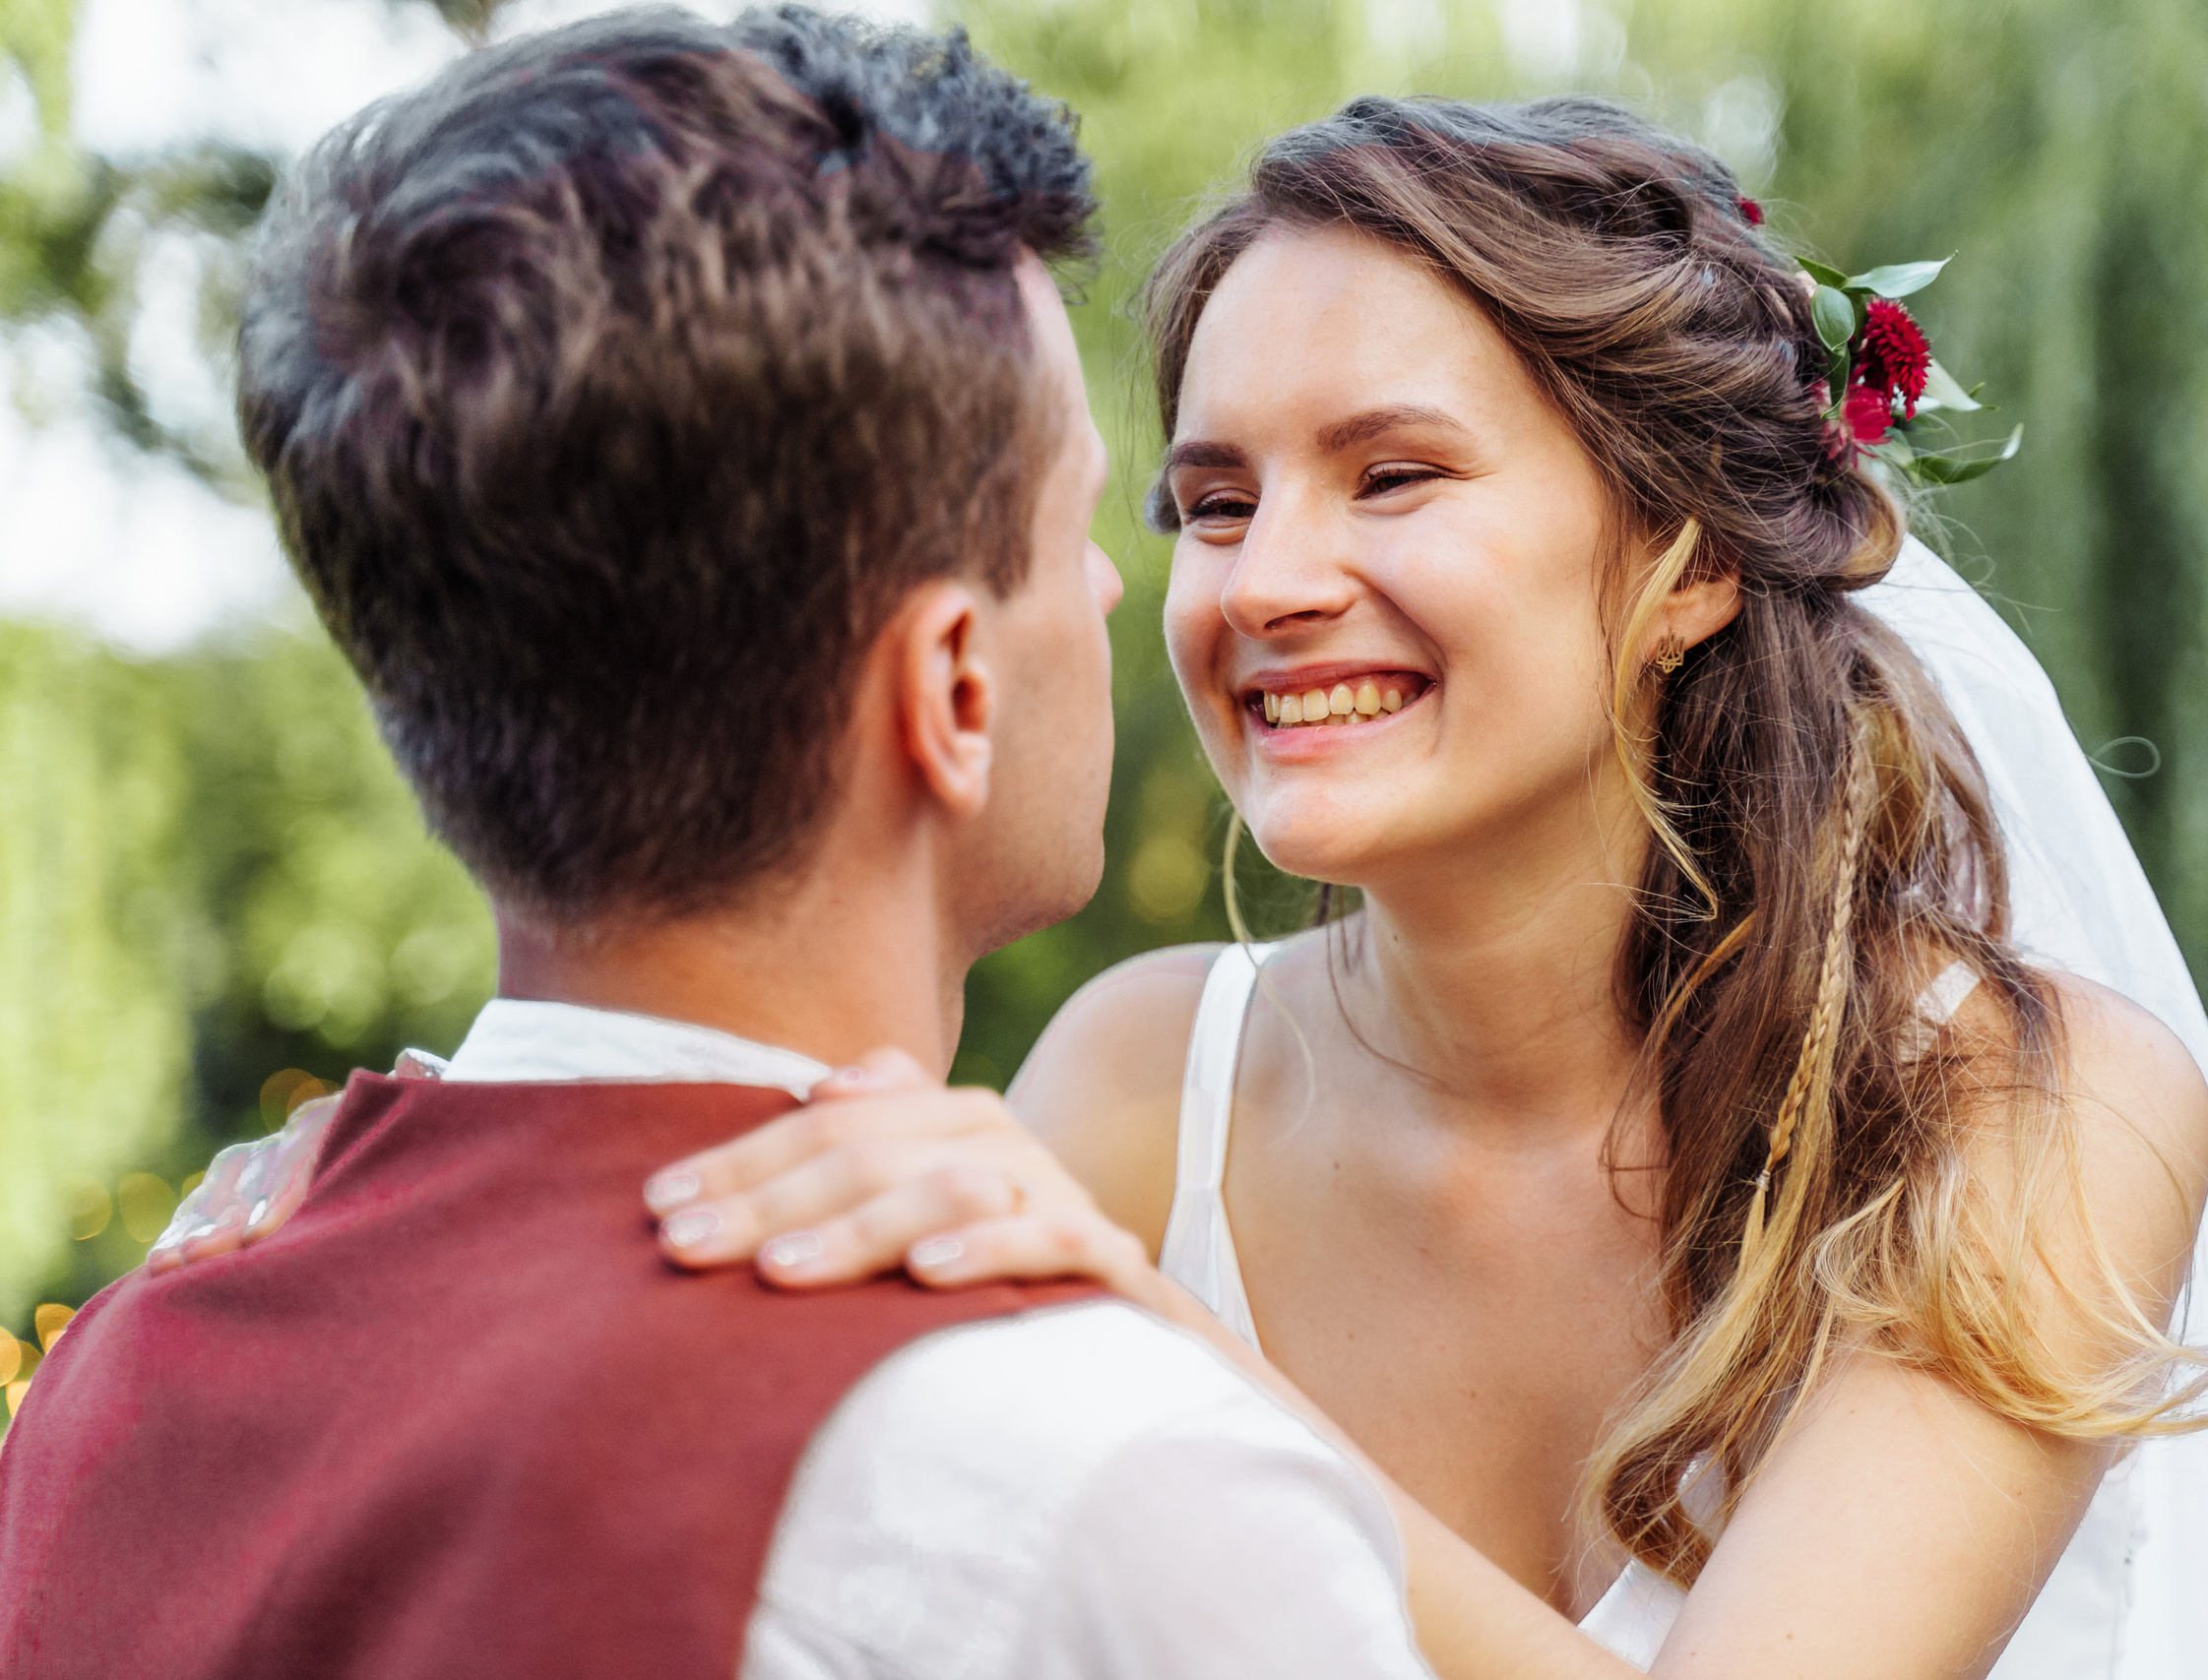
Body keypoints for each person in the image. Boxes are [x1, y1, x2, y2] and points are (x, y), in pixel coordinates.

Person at [154, 79, 2208, 1680]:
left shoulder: (2026, 1105)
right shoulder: (1143, 1064)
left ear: (1676, 564)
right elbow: (787, 1348)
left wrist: (1129, 1326)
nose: (1272, 582)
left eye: (1393, 474)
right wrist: (406, 1207)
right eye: (1211, 499)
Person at [0, 14, 1469, 1678]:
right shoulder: (1125, 1485)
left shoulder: (116, 1371)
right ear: (954, 690)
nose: (1128, 592)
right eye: (1075, 531)